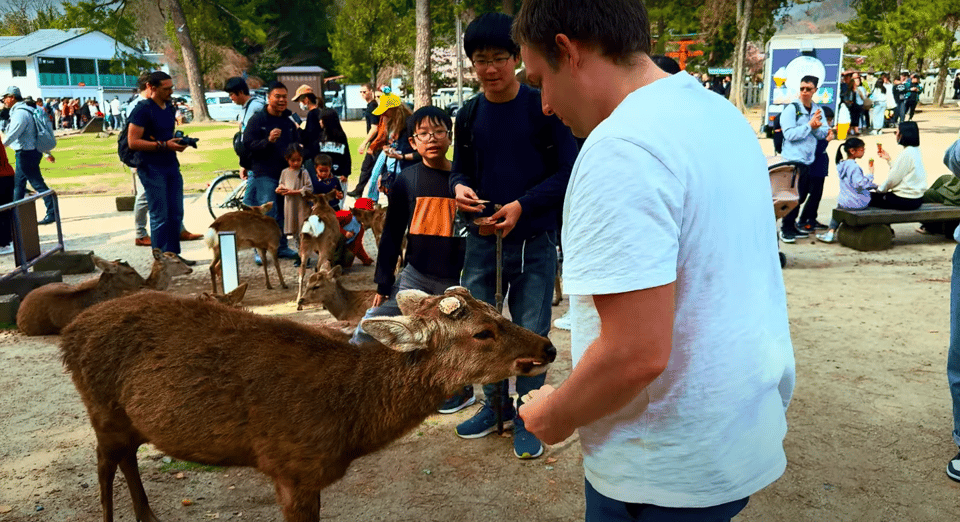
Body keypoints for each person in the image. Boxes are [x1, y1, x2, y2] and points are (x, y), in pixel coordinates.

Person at [511, 1, 795, 519]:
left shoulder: (620, 148)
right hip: (733, 433)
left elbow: (635, 353)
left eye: (538, 81)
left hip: (661, 467)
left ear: (566, 51)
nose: (546, 105)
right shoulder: (716, 113)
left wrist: (554, 414)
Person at [450, 12, 578, 460]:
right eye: (481, 59)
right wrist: (458, 187)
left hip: (535, 240)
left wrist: (523, 204)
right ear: (471, 63)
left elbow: (569, 172)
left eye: (500, 58)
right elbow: (461, 168)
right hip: (483, 240)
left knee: (529, 330)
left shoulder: (542, 107)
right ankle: (493, 407)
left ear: (516, 58)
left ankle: (527, 416)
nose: (490, 68)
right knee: (480, 330)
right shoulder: (467, 114)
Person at [349, 106, 465, 376]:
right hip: (415, 277)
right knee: (370, 326)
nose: (432, 139)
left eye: (439, 132)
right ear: (412, 141)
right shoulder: (406, 180)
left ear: (450, 137)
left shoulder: (463, 179)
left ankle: (460, 391)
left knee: (454, 340)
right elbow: (391, 234)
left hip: (456, 281)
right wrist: (383, 283)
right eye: (423, 134)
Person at [126, 71, 194, 261]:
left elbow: (165, 135)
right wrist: (163, 145)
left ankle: (173, 255)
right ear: (151, 87)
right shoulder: (142, 110)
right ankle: (161, 259)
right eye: (166, 89)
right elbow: (133, 142)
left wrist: (178, 143)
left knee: (175, 213)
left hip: (170, 164)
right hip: (150, 166)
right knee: (160, 214)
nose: (170, 92)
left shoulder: (169, 107)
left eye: (171, 88)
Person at [241, 80, 301, 262]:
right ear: (269, 97)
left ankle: (281, 247)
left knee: (283, 212)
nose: (282, 100)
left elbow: (298, 140)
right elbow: (248, 145)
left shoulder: (289, 119)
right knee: (268, 214)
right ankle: (261, 250)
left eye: (285, 97)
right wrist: (268, 140)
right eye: (278, 96)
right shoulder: (258, 119)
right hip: (264, 173)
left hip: (286, 173)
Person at [779, 75, 829, 242]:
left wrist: (814, 127)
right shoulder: (792, 109)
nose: (805, 92)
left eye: (808, 89)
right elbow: (789, 134)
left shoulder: (817, 110)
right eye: (802, 89)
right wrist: (809, 126)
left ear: (815, 90)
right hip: (792, 159)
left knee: (801, 196)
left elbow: (823, 133)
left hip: (809, 160)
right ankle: (785, 229)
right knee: (792, 196)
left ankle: (792, 225)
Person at [0, 86, 57, 225]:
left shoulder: (19, 113)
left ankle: (52, 212)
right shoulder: (28, 109)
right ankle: (14, 215)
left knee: (37, 183)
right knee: (18, 185)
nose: (3, 101)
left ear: (12, 97)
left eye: (4, 98)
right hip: (30, 152)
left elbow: (12, 134)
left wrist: (1, 147)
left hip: (26, 153)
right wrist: (46, 152)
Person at [816, 138, 875, 243]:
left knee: (838, 210)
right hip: (858, 203)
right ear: (852, 151)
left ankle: (830, 232)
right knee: (874, 197)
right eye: (862, 149)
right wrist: (870, 176)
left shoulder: (841, 164)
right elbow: (859, 184)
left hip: (844, 201)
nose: (864, 151)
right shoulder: (854, 167)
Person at [367, 95, 415, 200]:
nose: (383, 115)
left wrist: (400, 156)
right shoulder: (392, 123)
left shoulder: (410, 124)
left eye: (385, 111)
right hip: (394, 172)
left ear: (395, 109)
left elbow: (417, 153)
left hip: (407, 172)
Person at [871, 121, 926, 210]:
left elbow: (893, 178)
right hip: (916, 198)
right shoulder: (915, 150)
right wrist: (889, 159)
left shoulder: (907, 153)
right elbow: (902, 170)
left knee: (866, 197)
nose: (895, 135)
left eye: (896, 132)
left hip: (905, 199)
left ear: (903, 135)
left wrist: (880, 190)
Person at [797, 106, 835, 234]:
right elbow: (815, 150)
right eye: (827, 120)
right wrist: (827, 141)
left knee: (816, 196)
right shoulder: (813, 132)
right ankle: (804, 221)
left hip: (820, 167)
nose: (829, 123)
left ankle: (811, 219)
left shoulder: (822, 131)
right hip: (813, 168)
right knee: (808, 195)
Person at [225, 76, 266, 181]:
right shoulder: (246, 107)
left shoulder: (255, 107)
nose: (230, 98)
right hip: (251, 161)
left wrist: (245, 164)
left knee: (250, 197)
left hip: (259, 163)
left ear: (241, 92)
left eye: (231, 94)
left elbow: (253, 138)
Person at [277, 143, 313, 255]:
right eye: (293, 160)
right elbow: (281, 184)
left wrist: (294, 192)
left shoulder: (304, 172)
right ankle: (300, 254)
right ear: (287, 159)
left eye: (299, 160)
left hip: (301, 206)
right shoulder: (284, 172)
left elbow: (309, 188)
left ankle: (305, 254)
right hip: (290, 206)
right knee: (295, 232)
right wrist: (280, 189)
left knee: (303, 230)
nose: (296, 163)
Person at [347, 83, 381, 197]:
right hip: (375, 143)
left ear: (371, 91)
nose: (362, 94)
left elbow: (374, 128)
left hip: (376, 143)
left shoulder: (372, 106)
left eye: (364, 92)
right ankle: (359, 191)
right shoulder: (371, 106)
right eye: (361, 92)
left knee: (369, 168)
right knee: (367, 168)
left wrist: (364, 143)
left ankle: (361, 192)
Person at [0, 139, 16, 255]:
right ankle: (7, 240)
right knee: (5, 210)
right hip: (6, 176)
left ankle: (4, 243)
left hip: (2, 176)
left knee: (3, 211)